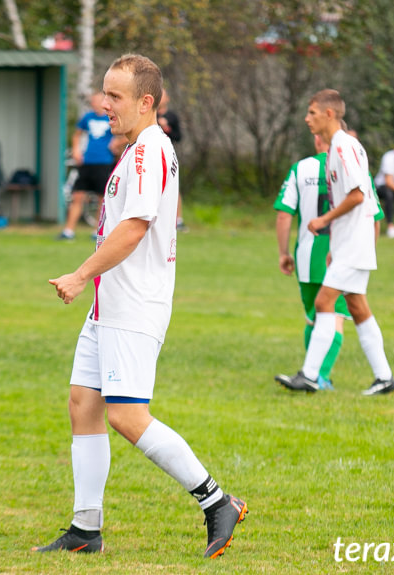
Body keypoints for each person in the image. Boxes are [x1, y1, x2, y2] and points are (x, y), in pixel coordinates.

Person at [36, 54, 247, 559]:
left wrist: (80, 274)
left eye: (115, 97)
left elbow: (134, 229)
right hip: (112, 304)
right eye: (105, 94)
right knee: (83, 405)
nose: (105, 104)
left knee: (128, 416)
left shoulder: (150, 151)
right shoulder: (137, 149)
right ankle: (86, 529)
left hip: (134, 303)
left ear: (145, 102)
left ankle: (217, 501)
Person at [275, 89, 394, 397]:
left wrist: (324, 220)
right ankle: (384, 378)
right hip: (347, 245)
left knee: (323, 303)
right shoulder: (334, 150)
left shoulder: (344, 146)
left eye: (312, 112)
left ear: (329, 114)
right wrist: (334, 246)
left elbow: (358, 195)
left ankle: (310, 375)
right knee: (357, 307)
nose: (307, 118)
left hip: (355, 245)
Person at [57, 92, 118, 240]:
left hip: (104, 163)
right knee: (78, 196)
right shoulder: (87, 117)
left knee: (102, 199)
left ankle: (97, 232)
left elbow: (127, 134)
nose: (95, 103)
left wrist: (116, 143)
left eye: (97, 100)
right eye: (93, 101)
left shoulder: (112, 117)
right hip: (86, 162)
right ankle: (69, 231)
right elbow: (76, 135)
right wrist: (76, 150)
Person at [157, 89, 188, 231]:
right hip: (153, 155)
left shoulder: (172, 116)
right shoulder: (151, 115)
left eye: (163, 94)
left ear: (167, 98)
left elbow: (178, 137)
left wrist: (166, 128)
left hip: (168, 156)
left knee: (172, 187)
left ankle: (178, 220)